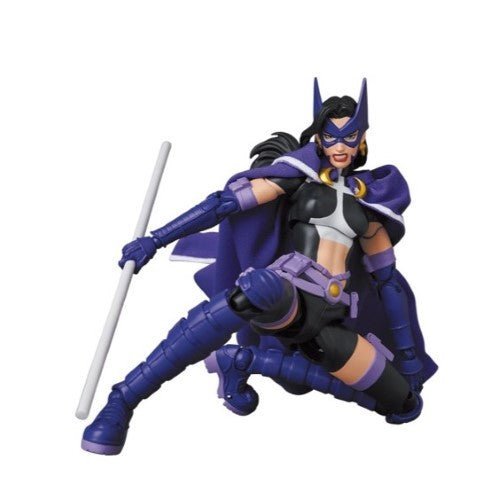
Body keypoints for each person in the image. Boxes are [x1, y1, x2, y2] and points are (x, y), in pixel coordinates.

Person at [82, 78, 437, 455]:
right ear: (318, 139)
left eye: (348, 136)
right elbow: (224, 204)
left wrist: (408, 357)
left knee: (404, 405)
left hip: (331, 319)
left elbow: (387, 283)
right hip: (292, 290)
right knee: (255, 292)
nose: (339, 146)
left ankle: (242, 361)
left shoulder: (372, 207)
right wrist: (155, 239)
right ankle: (122, 400)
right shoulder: (298, 180)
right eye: (330, 136)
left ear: (362, 139)